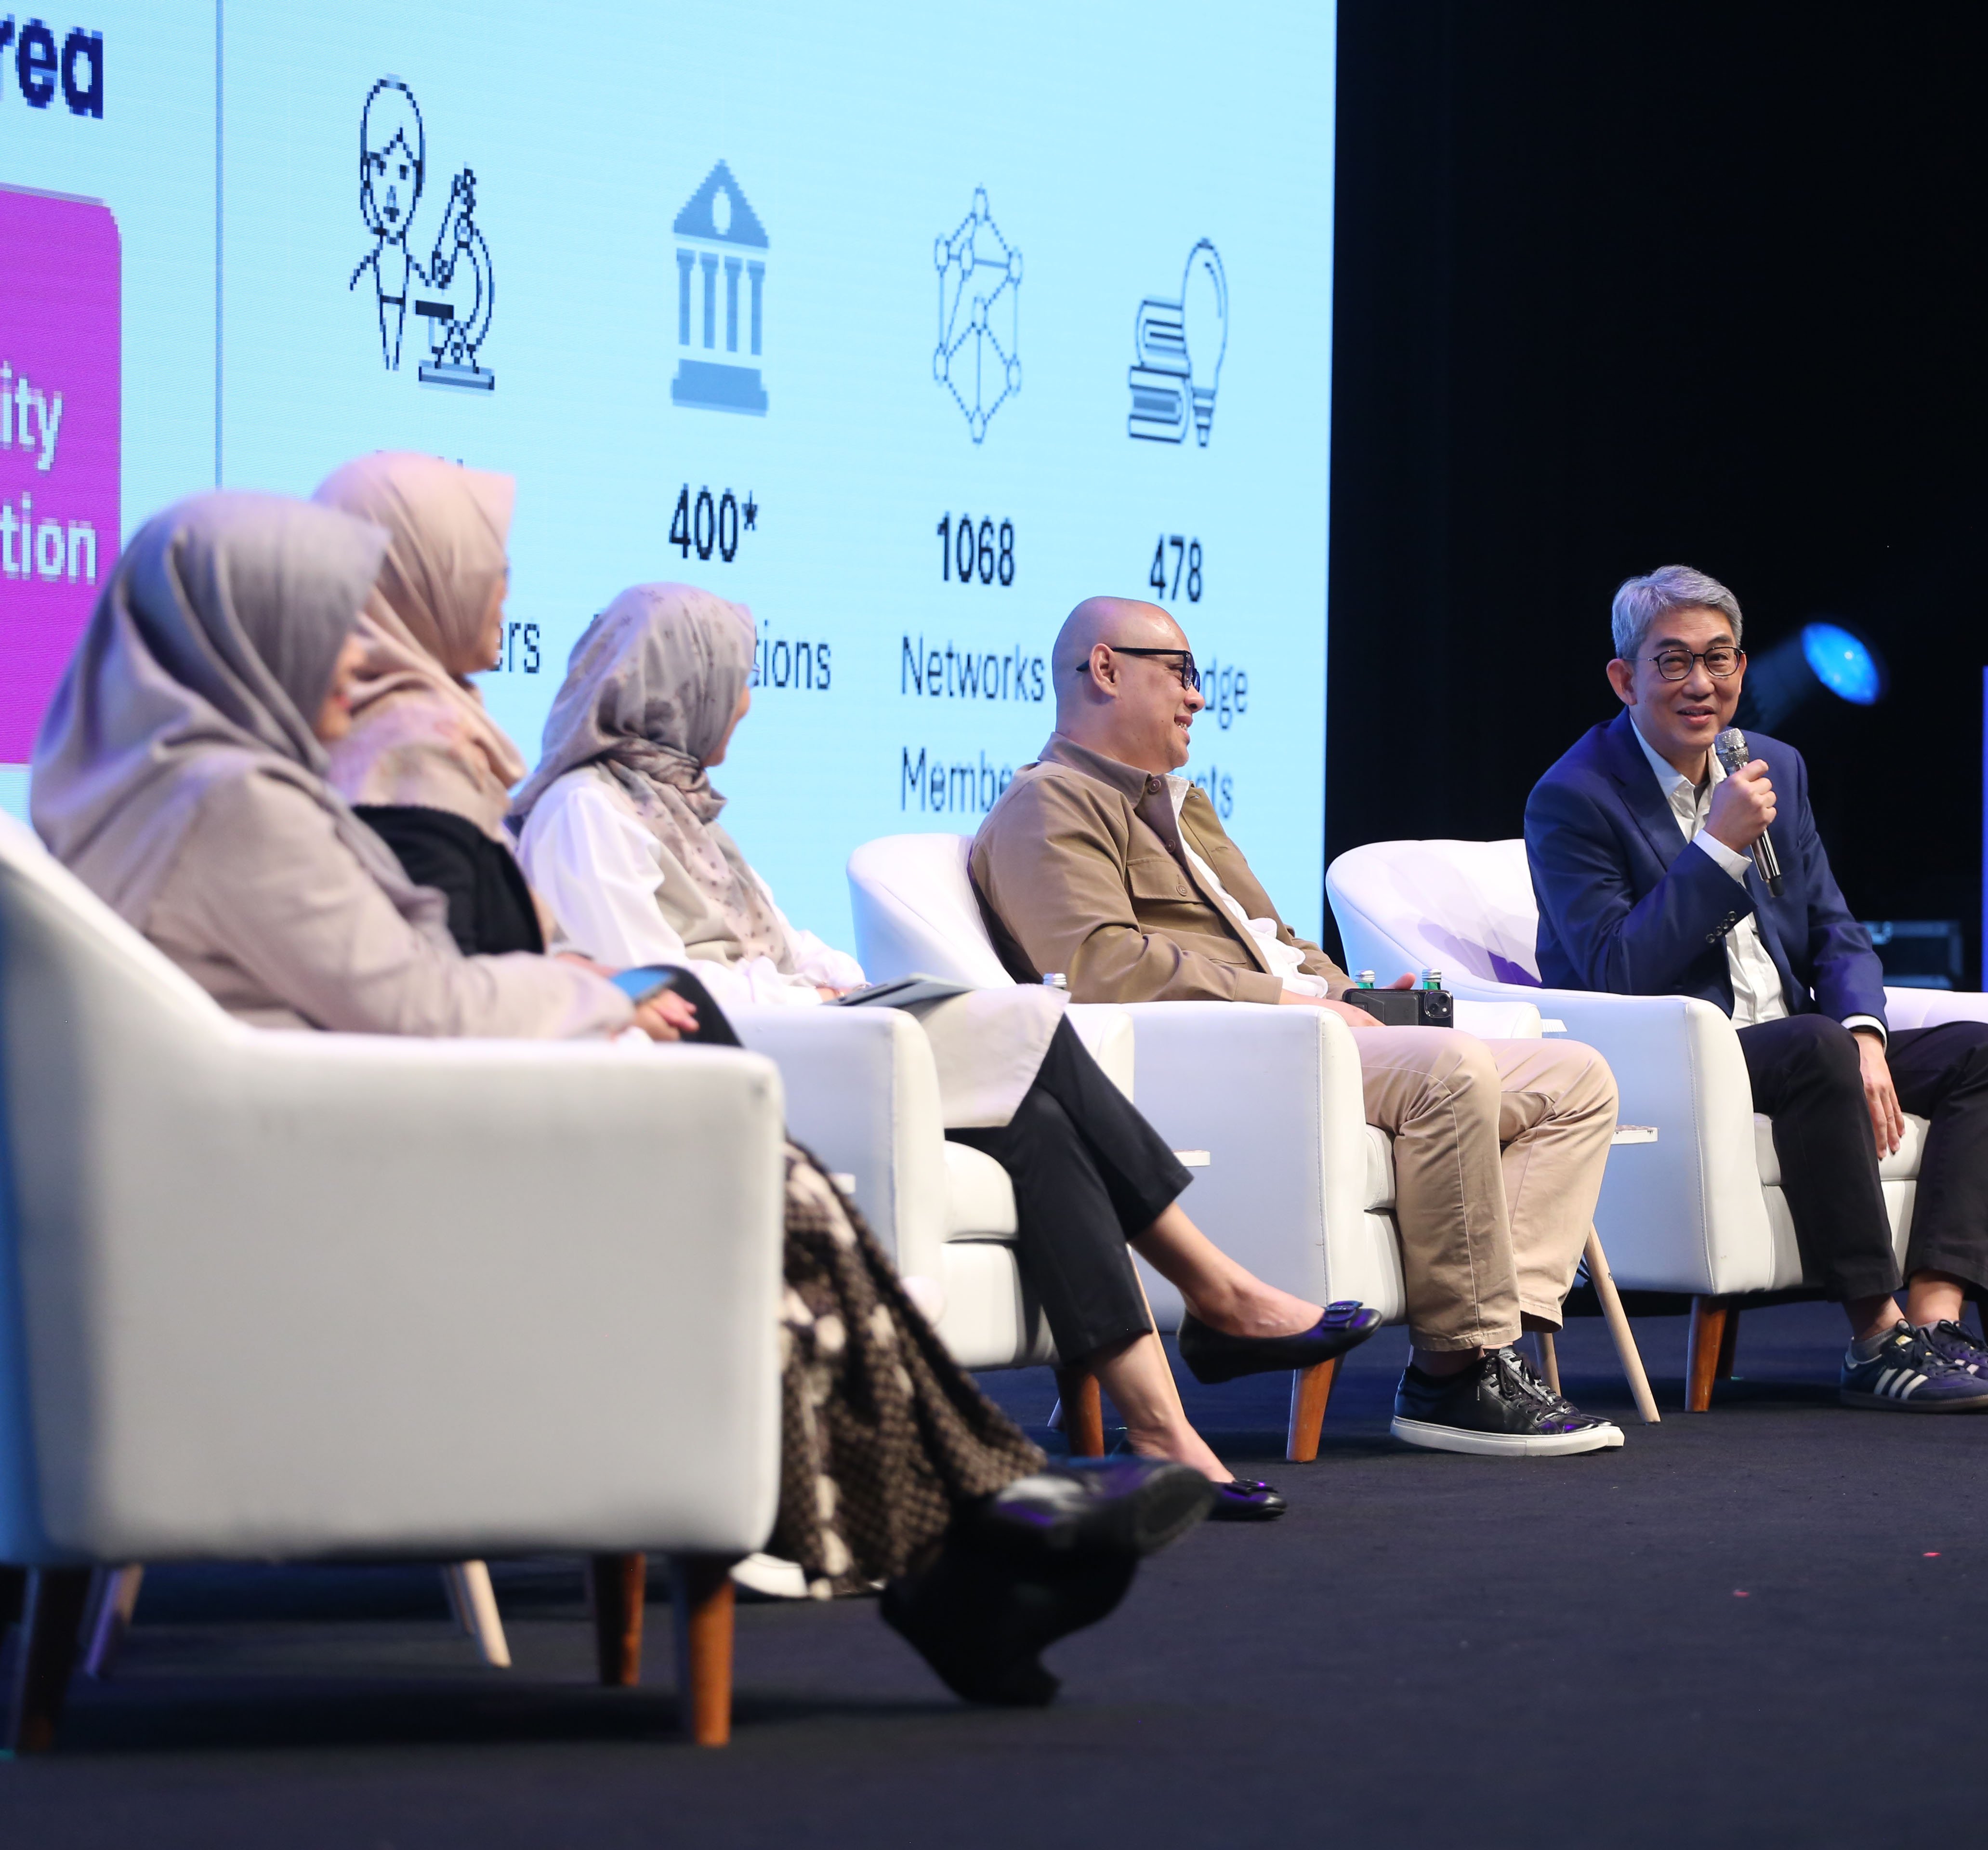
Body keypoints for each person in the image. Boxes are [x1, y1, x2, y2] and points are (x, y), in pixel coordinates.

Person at [29, 491, 1211, 1705]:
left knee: (774, 1179)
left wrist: (561, 984)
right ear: (248, 635)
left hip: (308, 1170)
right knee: (761, 1182)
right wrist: (596, 998)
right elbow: (420, 1007)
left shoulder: (126, 797)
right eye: (337, 628)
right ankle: (976, 1531)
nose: (368, 657)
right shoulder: (234, 808)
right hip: (351, 1189)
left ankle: (972, 1537)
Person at [511, 584, 1375, 1513]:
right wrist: (814, 998)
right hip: (741, 1071)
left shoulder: (678, 809)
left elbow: (782, 944)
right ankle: (1218, 1290)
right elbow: (652, 992)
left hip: (806, 1042)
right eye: (739, 682)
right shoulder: (585, 813)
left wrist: (832, 980)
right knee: (1028, 1034)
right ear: (685, 684)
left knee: (1041, 1124)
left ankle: (1165, 1430)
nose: (750, 704)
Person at [973, 596, 1627, 1458]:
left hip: (1304, 1037)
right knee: (1448, 1071)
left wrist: (1349, 991)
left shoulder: (1178, 805)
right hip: (1226, 1061)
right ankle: (1455, 1372)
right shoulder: (1048, 804)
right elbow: (1099, 966)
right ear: (1104, 670)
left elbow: (1273, 940)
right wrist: (1289, 1005)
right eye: (1180, 673)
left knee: (1575, 1077)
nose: (1197, 698)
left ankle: (1497, 1344)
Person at [1526, 565, 1988, 1414]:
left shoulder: (1771, 764)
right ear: (1624, 679)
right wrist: (1718, 851)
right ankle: (1875, 1340)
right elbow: (1616, 972)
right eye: (1673, 663)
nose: (1703, 684)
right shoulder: (1574, 796)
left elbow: (1835, 928)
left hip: (1802, 1046)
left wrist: (1868, 1033)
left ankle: (1936, 1321)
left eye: (1721, 659)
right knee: (1814, 1048)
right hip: (1675, 1058)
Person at [311, 450, 546, 954]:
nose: (505, 590)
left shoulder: (354, 722)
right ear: (416, 575)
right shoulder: (418, 742)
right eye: (486, 565)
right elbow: (447, 980)